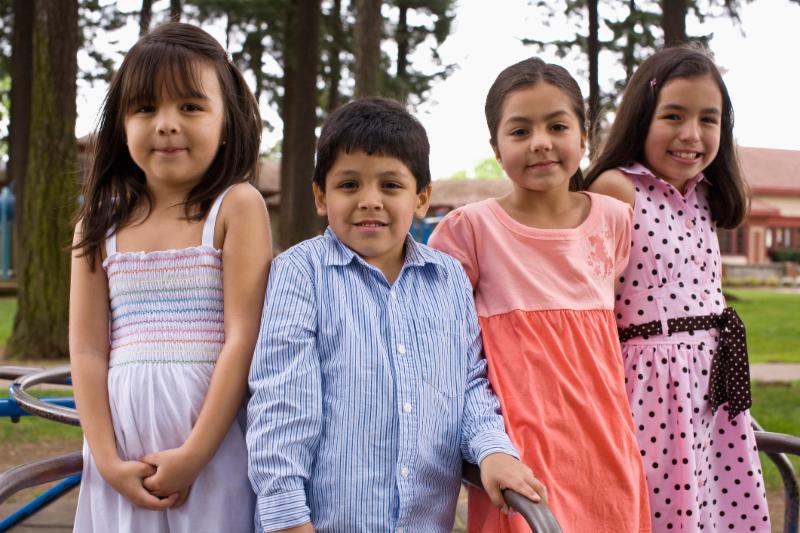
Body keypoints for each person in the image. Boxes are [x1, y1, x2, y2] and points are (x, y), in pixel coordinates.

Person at [246, 97, 546, 533]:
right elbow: (281, 406)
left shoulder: (448, 279)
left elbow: (469, 384)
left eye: (390, 185)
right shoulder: (300, 273)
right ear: (320, 195)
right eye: (349, 185)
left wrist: (493, 450)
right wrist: (288, 518)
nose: (370, 201)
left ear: (421, 198)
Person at [428, 57, 651, 532]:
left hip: (605, 446)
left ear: (584, 137)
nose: (541, 142)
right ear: (496, 147)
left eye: (557, 126)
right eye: (520, 131)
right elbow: (445, 352)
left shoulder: (614, 220)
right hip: (519, 452)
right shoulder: (469, 231)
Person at [69, 22, 270, 532]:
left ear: (227, 121)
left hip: (210, 448)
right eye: (145, 108)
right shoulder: (99, 223)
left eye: (190, 106)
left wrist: (195, 453)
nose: (166, 124)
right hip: (120, 452)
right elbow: (88, 350)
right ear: (121, 124)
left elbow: (242, 337)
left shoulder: (236, 207)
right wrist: (107, 460)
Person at [584, 45, 770, 531]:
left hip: (710, 389)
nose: (691, 134)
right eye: (673, 116)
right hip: (651, 389)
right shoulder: (617, 189)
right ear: (641, 118)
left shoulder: (705, 195)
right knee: (663, 511)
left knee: (719, 506)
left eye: (708, 119)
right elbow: (591, 308)